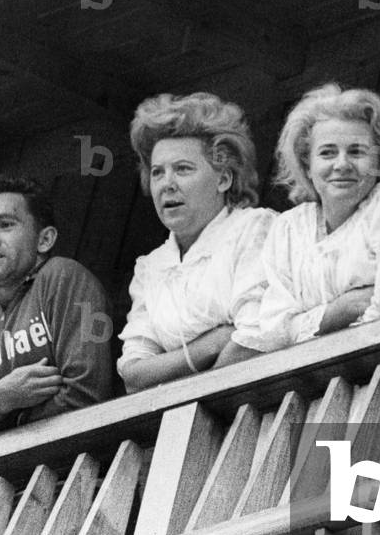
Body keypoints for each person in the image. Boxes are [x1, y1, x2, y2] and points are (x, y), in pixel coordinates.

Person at [0, 175, 114, 447]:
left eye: (5, 225)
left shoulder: (64, 277)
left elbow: (85, 394)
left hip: (79, 468)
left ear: (44, 240)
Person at [117, 92, 275, 393]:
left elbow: (254, 338)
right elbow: (134, 375)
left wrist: (187, 385)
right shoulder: (151, 268)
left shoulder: (254, 229)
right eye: (157, 172)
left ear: (224, 179)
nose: (167, 184)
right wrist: (211, 345)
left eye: (183, 169)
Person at [244, 84, 380, 351]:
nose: (341, 165)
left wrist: (308, 326)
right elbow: (273, 332)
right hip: (312, 384)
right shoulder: (288, 229)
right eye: (327, 152)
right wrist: (339, 311)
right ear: (307, 164)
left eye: (356, 152)